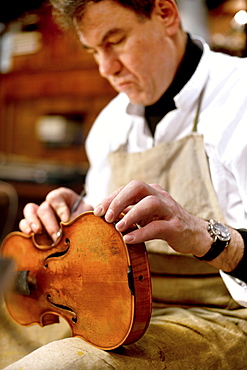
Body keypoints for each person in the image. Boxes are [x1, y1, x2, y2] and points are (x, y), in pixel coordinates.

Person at [2, 0, 247, 368]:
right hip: (115, 313)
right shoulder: (109, 125)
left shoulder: (240, 95)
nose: (106, 68)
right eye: (94, 50)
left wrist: (201, 233)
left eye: (115, 41)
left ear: (165, 14)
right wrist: (77, 225)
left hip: (224, 316)